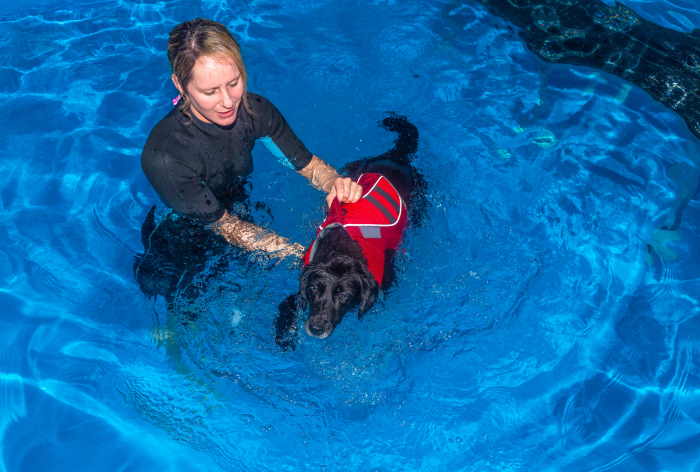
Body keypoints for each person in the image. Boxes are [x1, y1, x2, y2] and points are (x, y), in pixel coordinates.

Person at [140, 18, 362, 260]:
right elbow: (223, 225)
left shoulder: (254, 111)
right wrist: (300, 255)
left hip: (236, 205)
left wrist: (335, 183)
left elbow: (308, 166)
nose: (228, 101)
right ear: (180, 86)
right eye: (210, 92)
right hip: (183, 232)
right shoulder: (166, 155)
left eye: (234, 83)